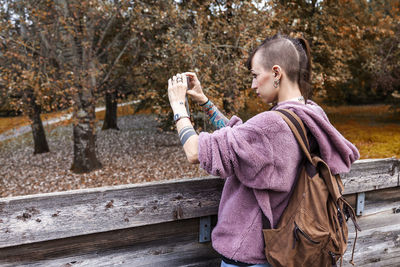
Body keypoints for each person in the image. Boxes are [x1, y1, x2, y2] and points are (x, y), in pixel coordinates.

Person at [167, 34, 359, 267]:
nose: (253, 85)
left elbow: (195, 152)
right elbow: (244, 140)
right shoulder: (310, 113)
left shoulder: (271, 125)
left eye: (256, 76)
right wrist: (205, 103)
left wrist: (178, 106)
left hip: (250, 255)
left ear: (276, 73)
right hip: (286, 246)